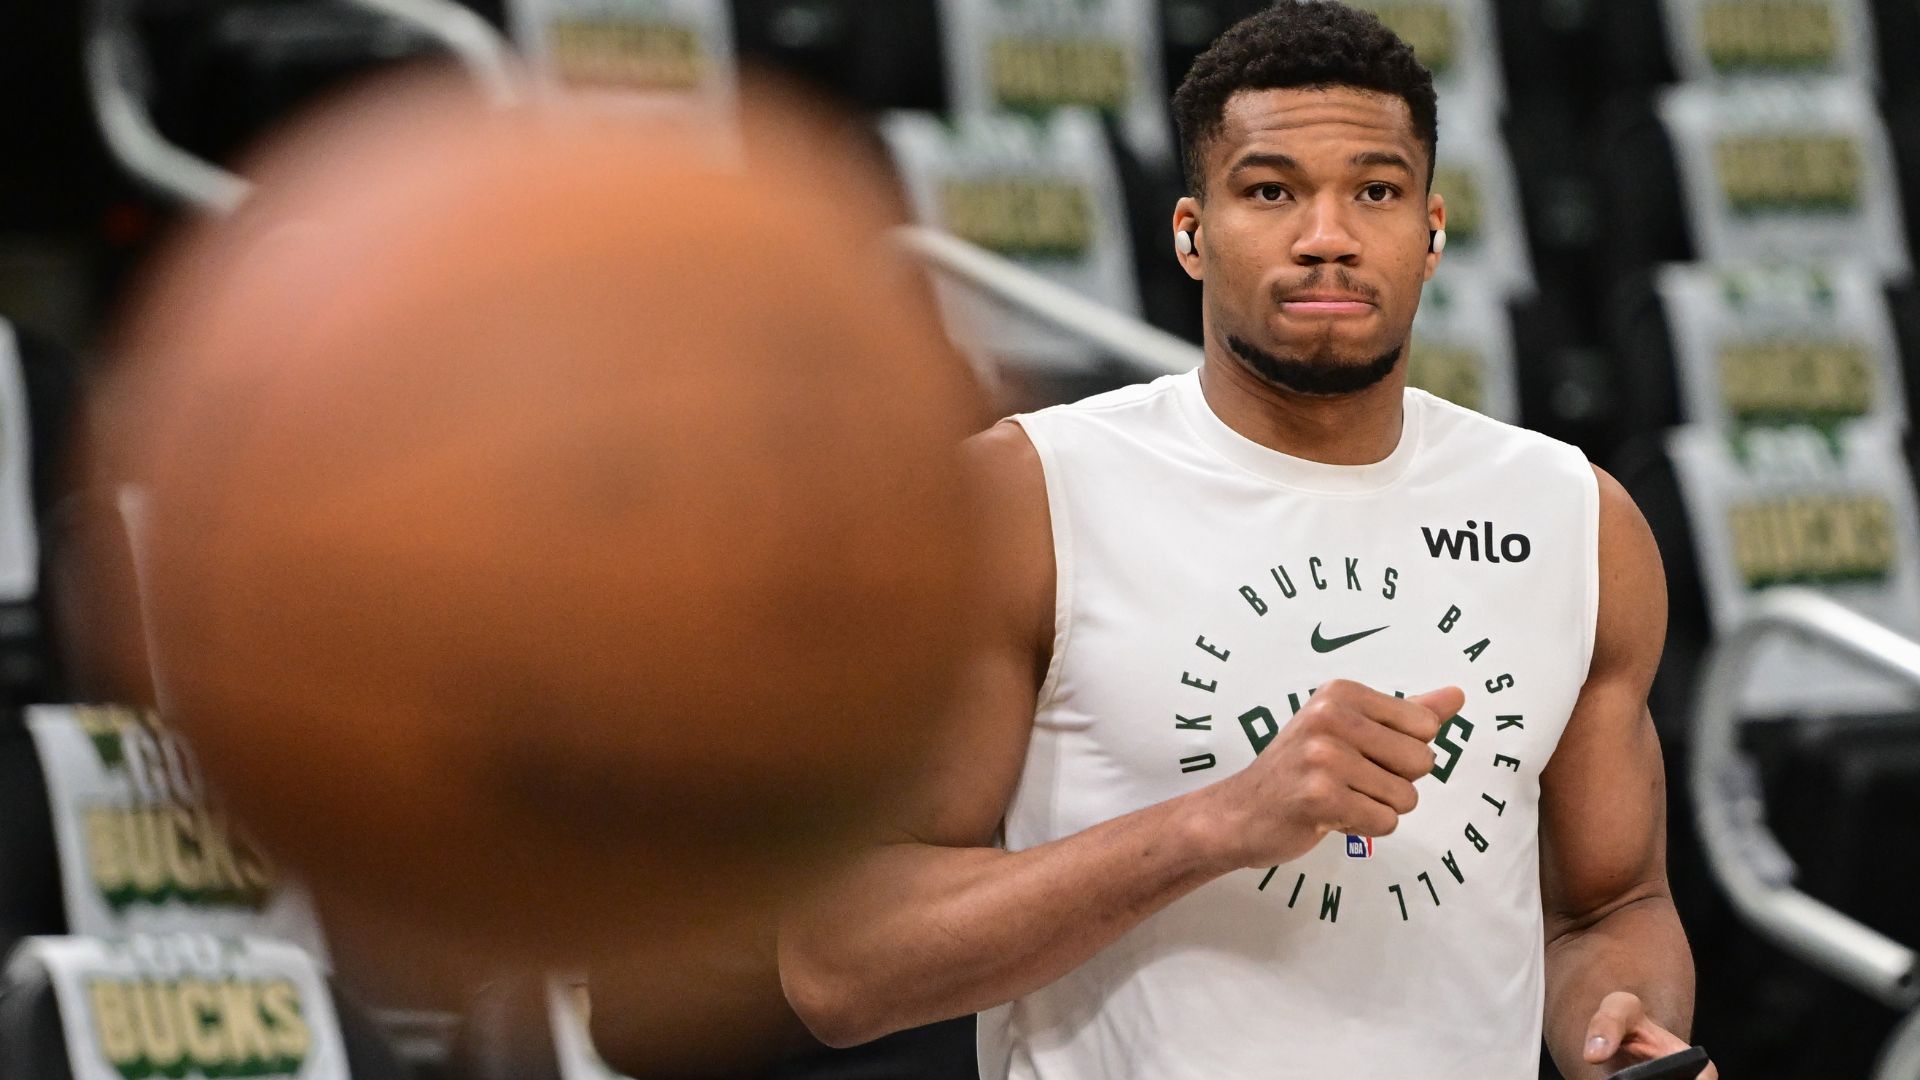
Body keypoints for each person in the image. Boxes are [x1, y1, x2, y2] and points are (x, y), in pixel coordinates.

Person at [778, 4, 1714, 1079]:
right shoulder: (1026, 500)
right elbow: (841, 963)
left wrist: (1620, 1028)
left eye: (1376, 191)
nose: (1327, 235)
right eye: (1271, 191)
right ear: (1190, 232)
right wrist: (1220, 822)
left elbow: (1612, 907)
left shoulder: (1575, 519)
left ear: (1433, 232)